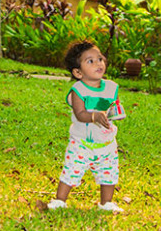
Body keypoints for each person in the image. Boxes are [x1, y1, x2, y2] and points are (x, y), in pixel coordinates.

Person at [47, 40, 125, 213]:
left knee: (109, 173)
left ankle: (106, 203)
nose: (98, 63)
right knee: (72, 170)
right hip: (81, 142)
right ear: (78, 72)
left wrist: (114, 112)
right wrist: (94, 116)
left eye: (100, 59)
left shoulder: (111, 87)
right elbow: (80, 113)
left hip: (106, 142)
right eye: (90, 61)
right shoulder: (78, 90)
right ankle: (60, 200)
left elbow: (114, 105)